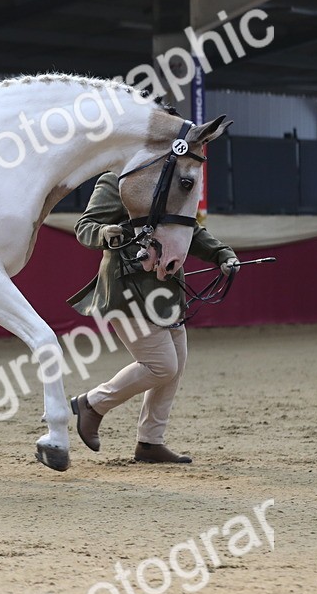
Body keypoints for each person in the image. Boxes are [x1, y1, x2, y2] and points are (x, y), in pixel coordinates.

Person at [66, 172, 239, 464]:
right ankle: (92, 404)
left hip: (167, 290)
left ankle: (150, 442)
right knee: (161, 366)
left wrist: (221, 254)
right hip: (127, 289)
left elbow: (189, 230)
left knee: (176, 364)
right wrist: (103, 233)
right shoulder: (115, 181)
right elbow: (85, 226)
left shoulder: (170, 183)